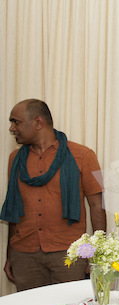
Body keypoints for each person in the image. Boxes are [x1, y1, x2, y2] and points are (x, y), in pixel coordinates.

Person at [1, 99, 106, 291]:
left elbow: (98, 205)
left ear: (38, 123)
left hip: (69, 254)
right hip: (25, 255)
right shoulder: (14, 160)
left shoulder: (85, 155)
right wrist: (10, 255)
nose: (12, 128)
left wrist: (98, 254)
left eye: (16, 122)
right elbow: (14, 209)